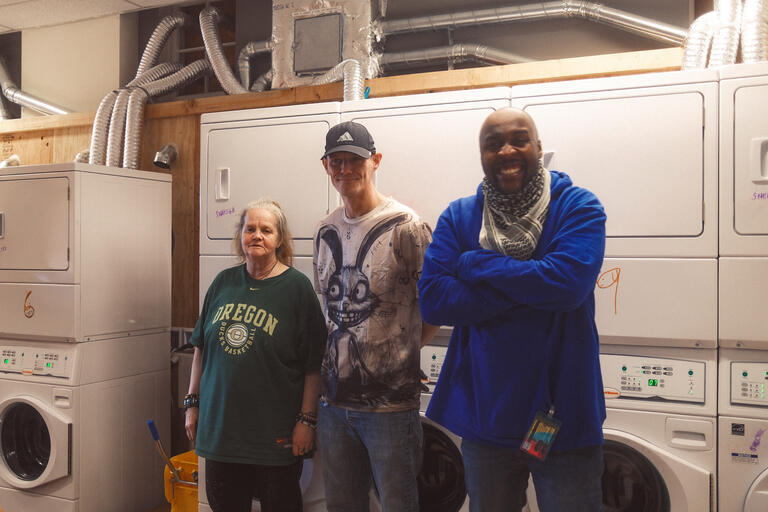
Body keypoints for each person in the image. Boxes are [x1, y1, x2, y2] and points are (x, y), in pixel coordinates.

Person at [417, 108, 607, 512]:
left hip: (562, 412)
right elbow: (433, 298)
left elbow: (566, 286)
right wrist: (530, 284)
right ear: (481, 155)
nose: (506, 150)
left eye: (518, 139)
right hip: (488, 415)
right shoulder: (460, 216)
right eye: (492, 144)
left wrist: (474, 265)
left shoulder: (577, 207)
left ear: (538, 147)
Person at [313, 121, 439, 512]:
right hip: (334, 405)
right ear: (326, 166)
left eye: (355, 160)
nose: (345, 170)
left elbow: (435, 306)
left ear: (375, 161)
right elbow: (329, 310)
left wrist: (397, 351)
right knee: (343, 505)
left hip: (389, 408)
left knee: (398, 504)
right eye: (337, 161)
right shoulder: (325, 229)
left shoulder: (407, 227)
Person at [185, 199, 327, 512]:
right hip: (221, 432)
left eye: (266, 230)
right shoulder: (223, 282)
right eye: (250, 229)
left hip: (273, 436)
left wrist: (307, 421)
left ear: (279, 239)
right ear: (241, 236)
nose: (257, 235)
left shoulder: (297, 289)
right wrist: (192, 404)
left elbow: (313, 365)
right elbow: (200, 349)